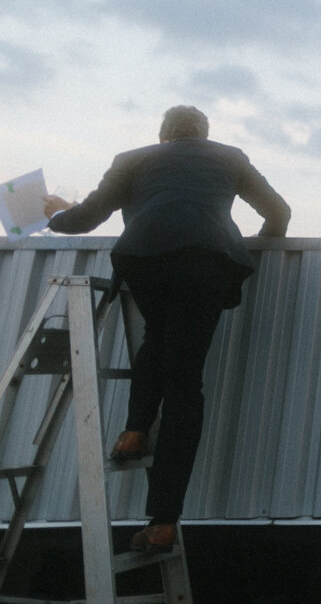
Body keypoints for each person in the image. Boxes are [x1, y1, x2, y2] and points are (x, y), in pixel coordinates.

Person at [43, 105, 290, 553]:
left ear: (164, 135)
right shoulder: (230, 157)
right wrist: (260, 241)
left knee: (157, 334)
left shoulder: (132, 158)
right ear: (204, 134)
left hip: (144, 259)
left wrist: (56, 215)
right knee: (184, 384)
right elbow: (280, 212)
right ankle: (162, 521)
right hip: (207, 263)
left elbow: (84, 219)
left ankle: (134, 429)